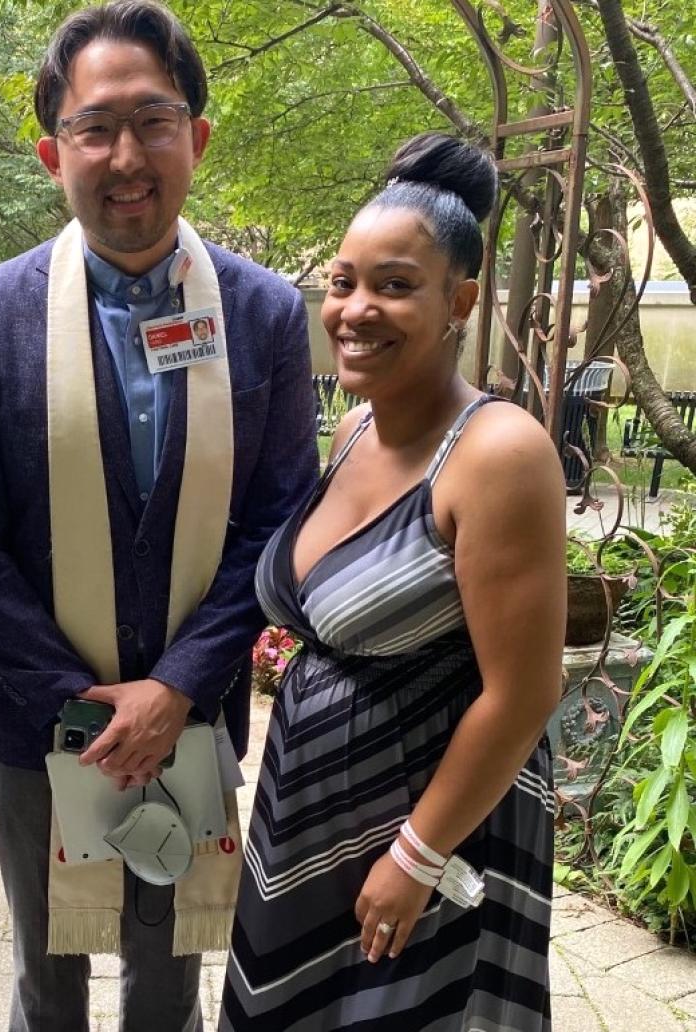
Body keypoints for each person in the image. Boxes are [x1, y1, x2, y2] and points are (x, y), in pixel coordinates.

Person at [0, 3, 318, 1029]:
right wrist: (78, 700)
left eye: (152, 120)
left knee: (167, 972)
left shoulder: (265, 314)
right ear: (52, 151)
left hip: (191, 723)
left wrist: (176, 687)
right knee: (44, 978)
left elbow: (276, 522)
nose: (125, 153)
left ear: (195, 137)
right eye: (94, 127)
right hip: (35, 722)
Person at [220, 132, 565, 1031]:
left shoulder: (498, 454)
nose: (355, 309)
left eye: (395, 285)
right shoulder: (355, 433)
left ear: (462, 300)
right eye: (343, 282)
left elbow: (525, 691)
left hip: (428, 829)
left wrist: (417, 855)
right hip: (312, 813)